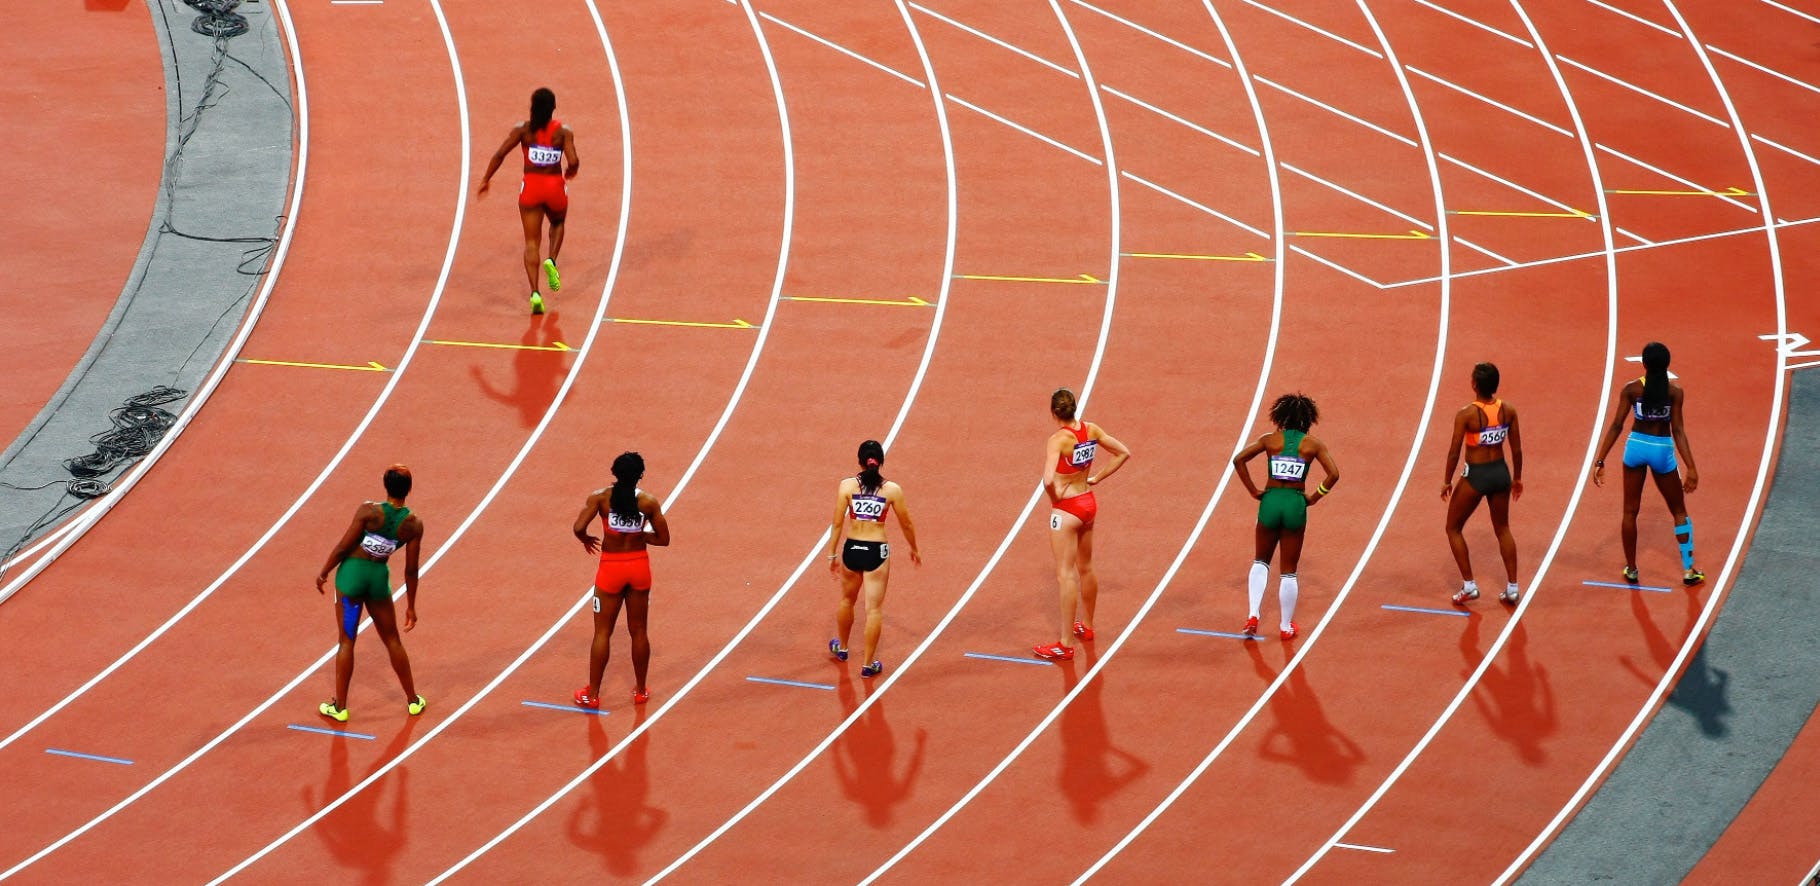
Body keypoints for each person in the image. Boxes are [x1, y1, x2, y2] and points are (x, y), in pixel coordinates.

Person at [314, 465, 426, 722]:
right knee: (392, 640)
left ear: (385, 486)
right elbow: (411, 570)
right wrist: (411, 606)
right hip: (378, 582)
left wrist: (324, 571)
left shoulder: (369, 511)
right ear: (409, 489)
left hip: (351, 579)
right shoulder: (413, 525)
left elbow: (343, 547)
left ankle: (339, 708)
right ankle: (412, 701)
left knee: (346, 640)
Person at [1591, 342, 1704, 585]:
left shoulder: (1631, 390)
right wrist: (1691, 467)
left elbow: (1616, 425)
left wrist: (1600, 459)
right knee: (1679, 511)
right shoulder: (1675, 392)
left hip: (1635, 448)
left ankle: (1631, 569)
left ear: (1643, 364)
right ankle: (1688, 570)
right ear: (1667, 364)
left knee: (1630, 512)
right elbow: (1679, 431)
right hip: (1661, 450)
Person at [1231, 393, 1339, 640]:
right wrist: (1315, 496)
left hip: (1269, 502)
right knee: (1288, 570)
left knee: (1260, 561)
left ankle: (1253, 615)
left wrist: (1253, 490)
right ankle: (1285, 626)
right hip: (1295, 504)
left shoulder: (1270, 440)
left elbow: (1239, 460)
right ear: (1308, 420)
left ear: (1280, 417)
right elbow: (1334, 474)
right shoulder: (1313, 445)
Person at [1034, 388, 1130, 661]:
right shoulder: (1091, 430)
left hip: (1067, 509)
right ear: (1075, 408)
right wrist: (1097, 478)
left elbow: (1048, 480)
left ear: (1053, 413)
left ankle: (1065, 644)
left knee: (1065, 574)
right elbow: (1123, 453)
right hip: (1088, 503)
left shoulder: (1057, 440)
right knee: (1086, 567)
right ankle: (1087, 626)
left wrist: (1056, 500)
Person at [573, 452, 669, 708]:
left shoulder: (600, 498)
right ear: (640, 475)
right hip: (638, 567)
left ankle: (592, 695)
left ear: (614, 472)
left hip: (610, 570)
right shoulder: (648, 502)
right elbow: (664, 539)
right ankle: (640, 691)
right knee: (638, 631)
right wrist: (640, 536)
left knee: (602, 632)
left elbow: (578, 528)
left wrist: (586, 539)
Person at [478, 87, 579, 315]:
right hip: (554, 186)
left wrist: (486, 179)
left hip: (531, 188)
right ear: (553, 108)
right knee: (558, 222)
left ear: (532, 107)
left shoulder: (522, 130)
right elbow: (573, 160)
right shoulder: (563, 132)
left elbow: (500, 154)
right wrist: (572, 170)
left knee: (531, 243)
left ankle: (535, 293)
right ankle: (552, 259)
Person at [826, 440, 921, 678]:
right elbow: (906, 522)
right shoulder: (892, 490)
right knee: (874, 610)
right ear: (880, 462)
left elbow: (837, 522)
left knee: (847, 600)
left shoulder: (846, 486)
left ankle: (843, 649)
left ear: (860, 461)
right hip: (876, 551)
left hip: (852, 548)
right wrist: (914, 548)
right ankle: (868, 665)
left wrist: (832, 553)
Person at [1443, 362, 1524, 605]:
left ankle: (1469, 586)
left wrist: (1446, 480)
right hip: (1501, 473)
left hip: (1476, 475)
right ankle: (1512, 588)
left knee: (1453, 527)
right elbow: (1517, 449)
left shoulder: (1466, 414)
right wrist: (1518, 477)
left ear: (1474, 384)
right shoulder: (1508, 410)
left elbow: (1454, 452)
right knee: (1503, 529)